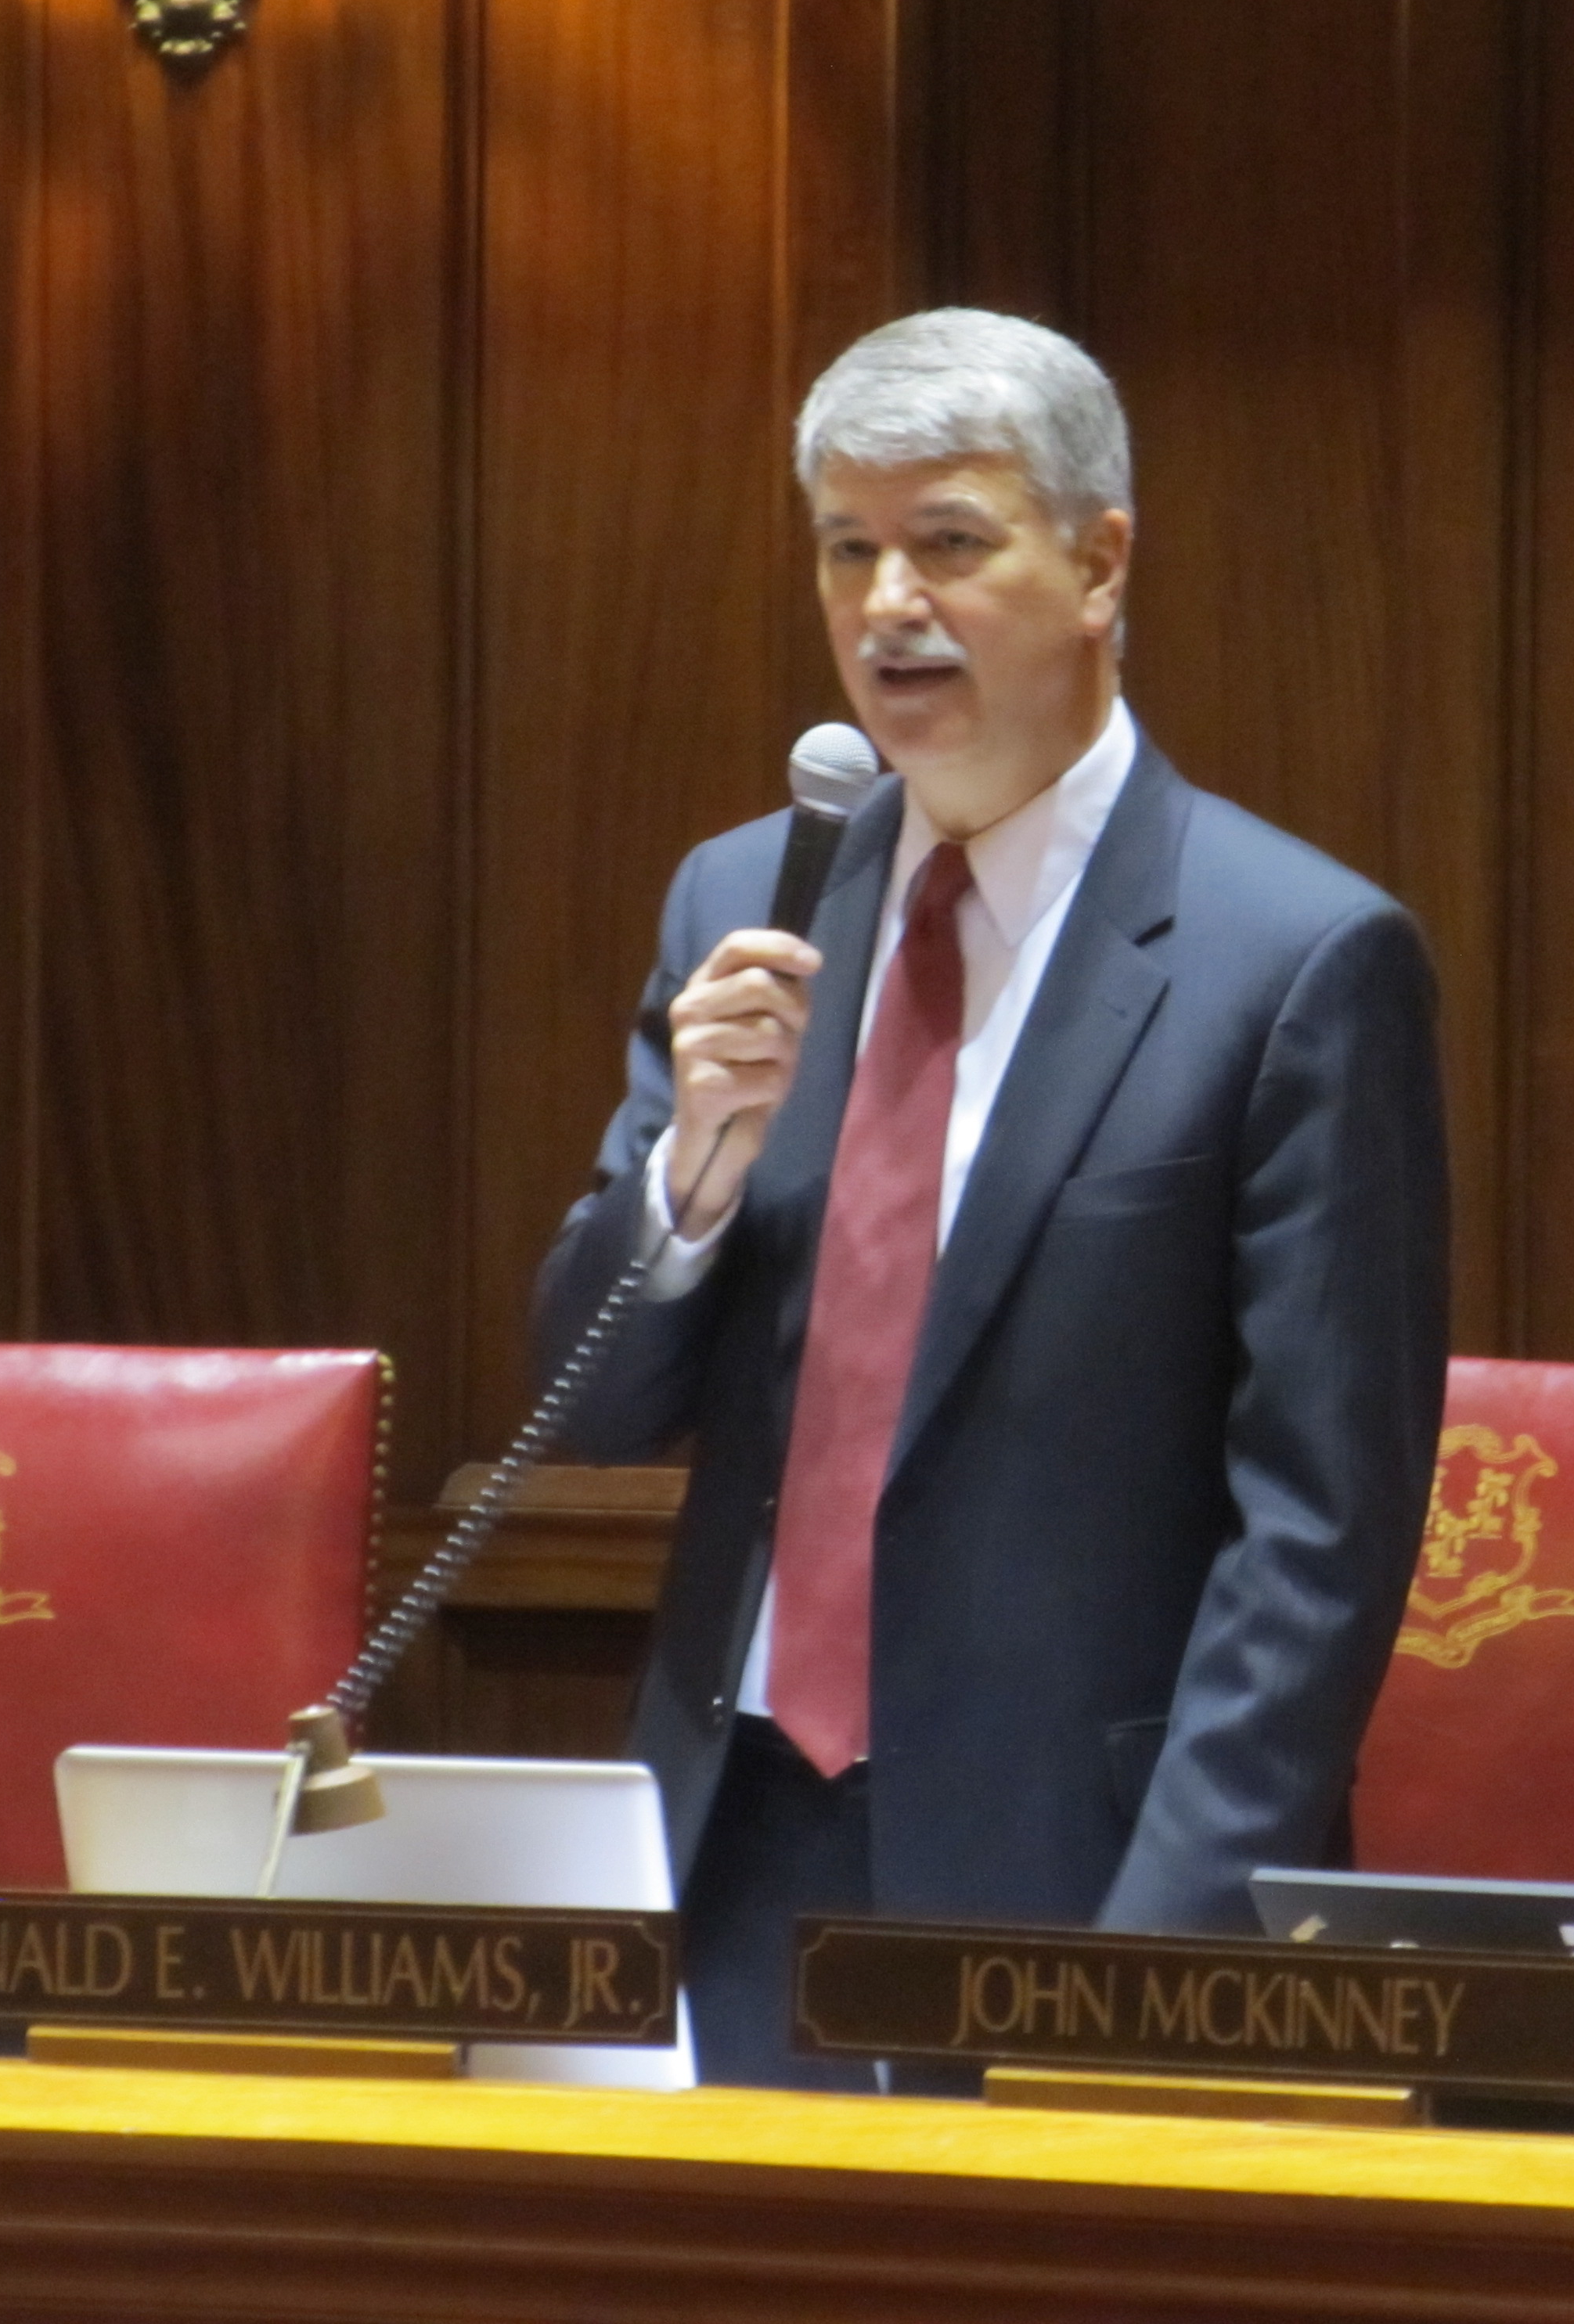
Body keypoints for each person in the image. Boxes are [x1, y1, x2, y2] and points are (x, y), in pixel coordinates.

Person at [536, 308, 1449, 2088]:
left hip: (1075, 1888)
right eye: (847, 548)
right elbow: (597, 1401)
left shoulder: (1297, 960)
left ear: (1099, 564)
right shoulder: (748, 901)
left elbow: (1320, 1537)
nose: (889, 604)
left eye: (948, 542)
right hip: (728, 1849)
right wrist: (691, 1174)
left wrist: (1154, 1972)